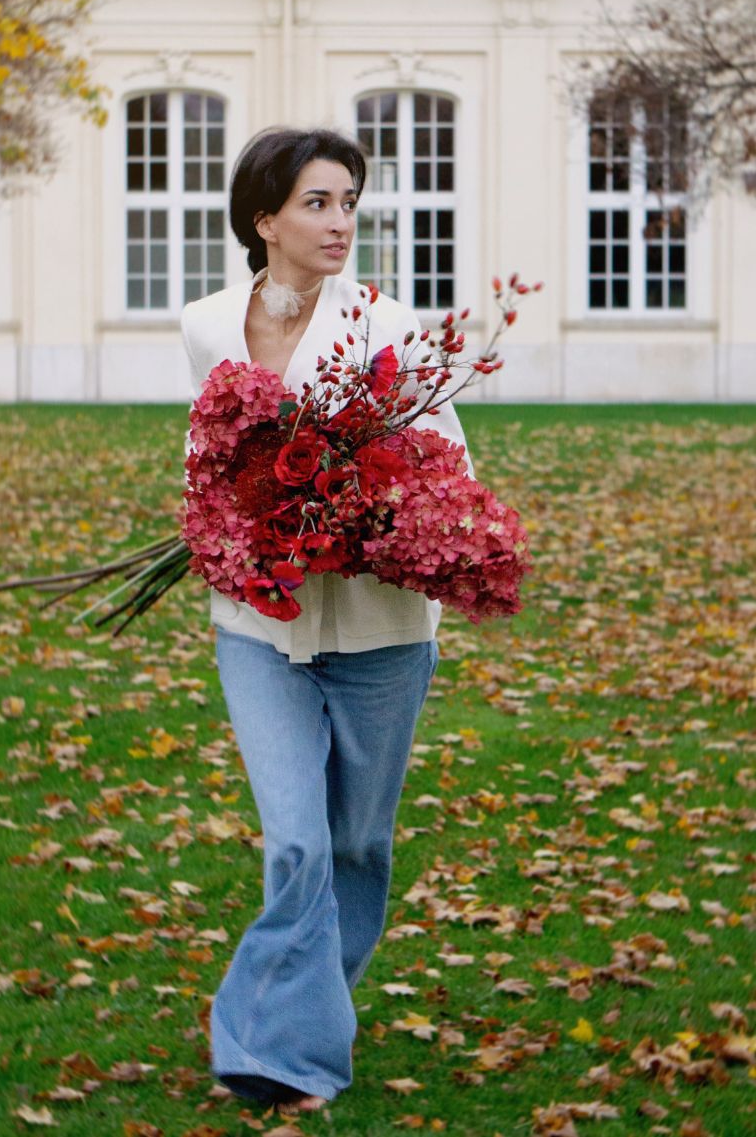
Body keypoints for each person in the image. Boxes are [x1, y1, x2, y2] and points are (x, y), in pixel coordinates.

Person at [179, 127, 474, 1116]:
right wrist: (230, 526)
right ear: (264, 218)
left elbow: (449, 467)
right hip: (256, 623)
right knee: (297, 841)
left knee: (354, 843)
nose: (340, 219)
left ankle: (300, 1018)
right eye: (316, 202)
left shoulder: (387, 323)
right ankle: (273, 1053)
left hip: (380, 627)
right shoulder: (205, 321)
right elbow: (210, 457)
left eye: (348, 200)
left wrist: (376, 513)